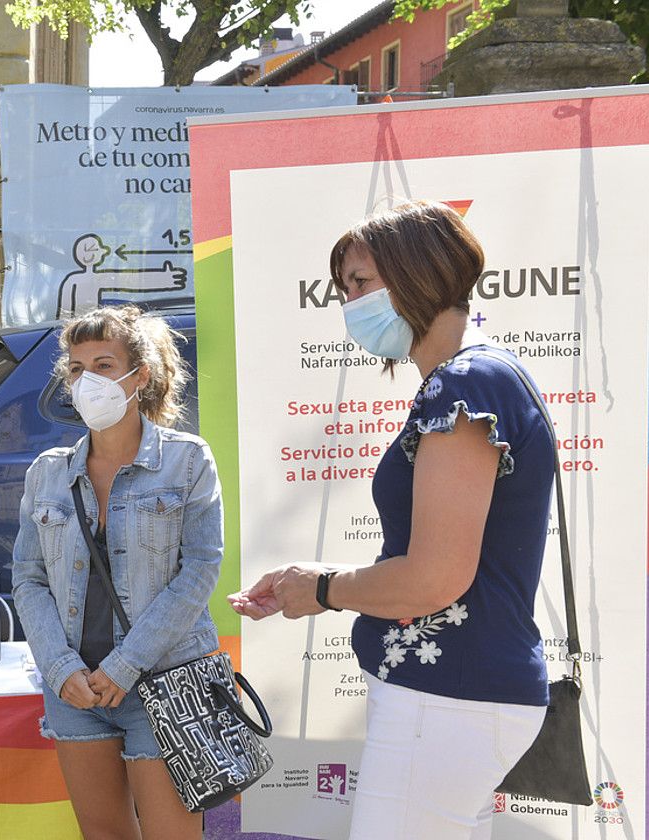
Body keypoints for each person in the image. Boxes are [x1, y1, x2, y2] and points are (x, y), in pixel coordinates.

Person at [229, 201, 552, 840]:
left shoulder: (464, 385)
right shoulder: (480, 378)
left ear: (417, 274)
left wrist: (320, 591)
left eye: (359, 282)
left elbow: (435, 578)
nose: (348, 302)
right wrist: (318, 576)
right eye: (344, 287)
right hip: (458, 693)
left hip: (450, 694)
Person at [12, 305, 222, 840]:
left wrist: (125, 666)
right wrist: (60, 669)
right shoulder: (47, 473)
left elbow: (200, 571)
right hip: (75, 693)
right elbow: (29, 579)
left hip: (164, 682)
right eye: (78, 368)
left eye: (104, 365)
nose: (89, 381)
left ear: (140, 375)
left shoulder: (187, 461)